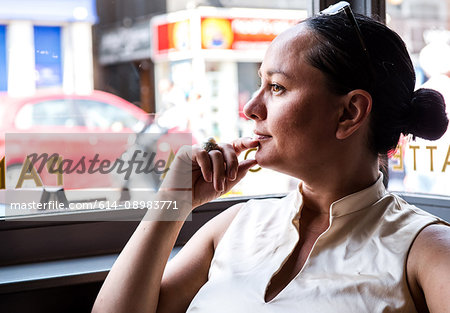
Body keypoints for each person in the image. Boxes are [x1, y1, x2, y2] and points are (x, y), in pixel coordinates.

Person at [92, 2, 450, 312]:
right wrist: (172, 202)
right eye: (260, 82)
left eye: (277, 87)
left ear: (349, 113)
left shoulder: (425, 251)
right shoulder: (233, 226)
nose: (250, 107)